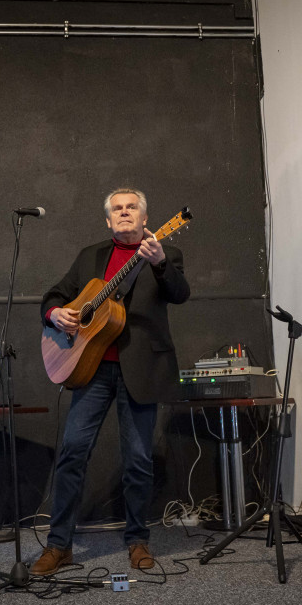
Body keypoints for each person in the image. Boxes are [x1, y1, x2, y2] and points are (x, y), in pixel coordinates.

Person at [31, 188, 190, 576]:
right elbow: (55, 295)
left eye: (131, 207)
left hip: (141, 371)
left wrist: (161, 263)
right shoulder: (91, 256)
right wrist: (54, 315)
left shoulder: (162, 253)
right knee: (71, 453)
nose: (124, 213)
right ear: (108, 220)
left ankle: (137, 541)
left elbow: (180, 294)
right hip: (91, 367)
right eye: (117, 209)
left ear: (144, 217)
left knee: (137, 460)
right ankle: (59, 546)